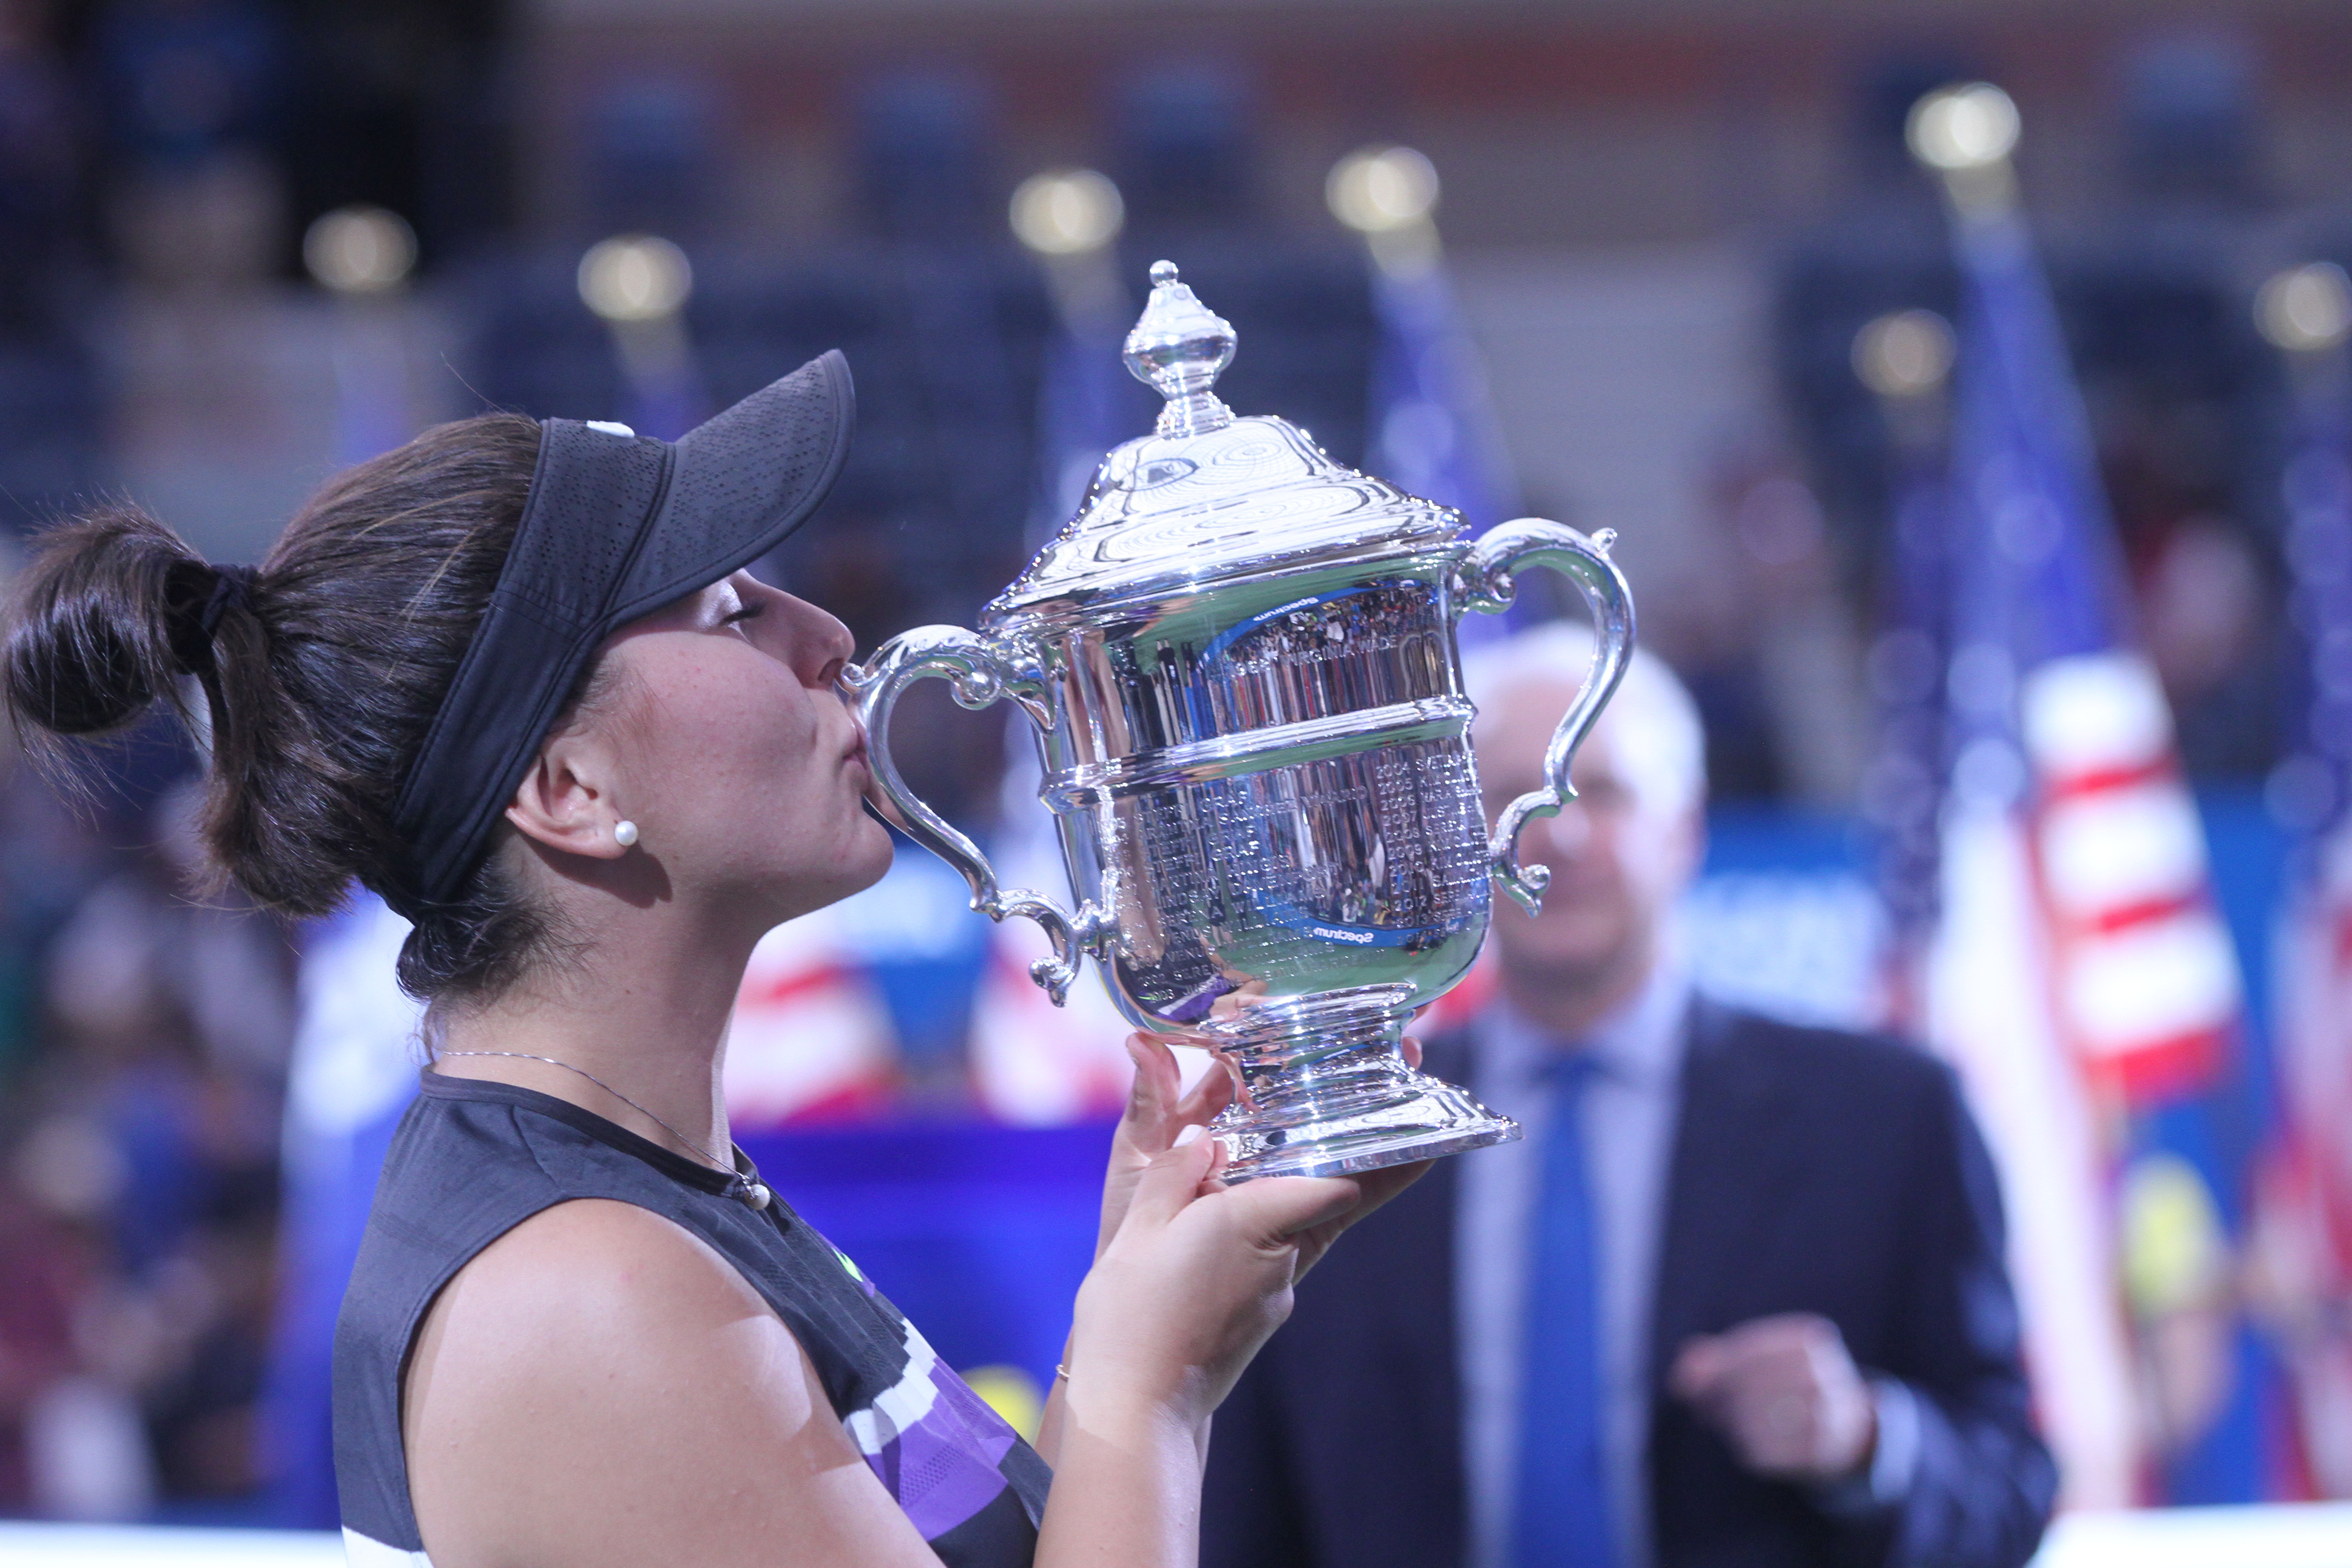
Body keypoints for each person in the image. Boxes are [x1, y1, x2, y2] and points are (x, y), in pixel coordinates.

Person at [3, 353, 1423, 1568]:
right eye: (736, 611)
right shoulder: (585, 1298)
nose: (830, 638)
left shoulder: (640, 1201)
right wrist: (1149, 1382)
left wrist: (1135, 1287)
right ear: (567, 789)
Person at [1200, 623, 2056, 1568]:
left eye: (1599, 792)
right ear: (1450, 849)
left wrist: (1869, 1440)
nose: (1556, 835)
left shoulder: (1891, 1119)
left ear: (1686, 830)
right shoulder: (1338, 1133)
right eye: (1511, 797)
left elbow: (2012, 1484)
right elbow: (1242, 1507)